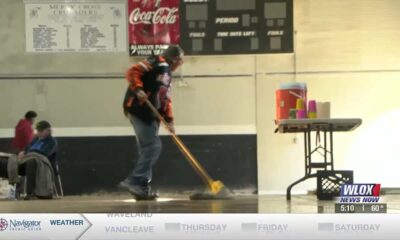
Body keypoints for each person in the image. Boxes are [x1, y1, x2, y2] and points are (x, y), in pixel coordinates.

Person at [119, 45, 184, 200]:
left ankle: (141, 188)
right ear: (175, 59)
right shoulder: (156, 61)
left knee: (147, 149)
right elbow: (133, 71)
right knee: (153, 146)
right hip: (139, 109)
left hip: (151, 115)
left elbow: (165, 99)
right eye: (181, 61)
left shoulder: (168, 75)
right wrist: (138, 89)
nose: (181, 64)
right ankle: (134, 180)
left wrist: (169, 120)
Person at [19, 120, 58, 200]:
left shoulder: (52, 142)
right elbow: (26, 149)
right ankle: (14, 191)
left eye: (41, 130)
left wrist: (28, 153)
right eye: (38, 130)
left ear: (48, 130)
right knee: (10, 161)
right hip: (27, 161)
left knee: (31, 162)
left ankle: (29, 193)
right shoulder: (35, 140)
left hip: (43, 164)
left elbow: (45, 153)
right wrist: (23, 152)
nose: (38, 132)